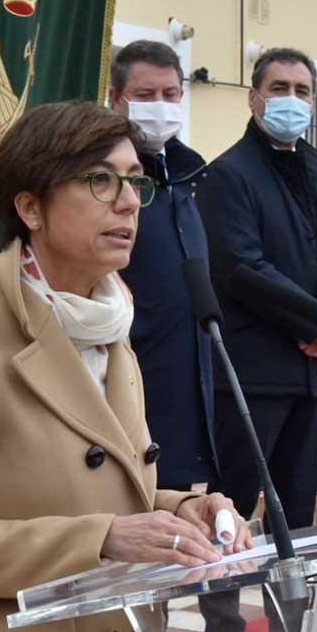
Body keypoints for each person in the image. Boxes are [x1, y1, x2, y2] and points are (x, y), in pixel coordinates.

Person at [0, 101, 251, 632]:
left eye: (135, 182)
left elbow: (109, 492)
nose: (129, 202)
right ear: (30, 207)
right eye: (101, 180)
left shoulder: (111, 330)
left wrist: (185, 510)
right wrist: (99, 540)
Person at [196, 47, 317, 632]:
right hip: (252, 372)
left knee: (297, 513)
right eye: (278, 86)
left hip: (313, 371)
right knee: (231, 507)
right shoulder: (229, 174)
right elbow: (239, 267)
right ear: (254, 96)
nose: (291, 98)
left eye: (302, 88)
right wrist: (312, 321)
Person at [110, 39, 215, 492]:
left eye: (170, 95)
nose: (161, 107)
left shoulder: (188, 175)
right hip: (125, 375)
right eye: (146, 96)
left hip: (190, 380)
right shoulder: (100, 179)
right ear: (117, 101)